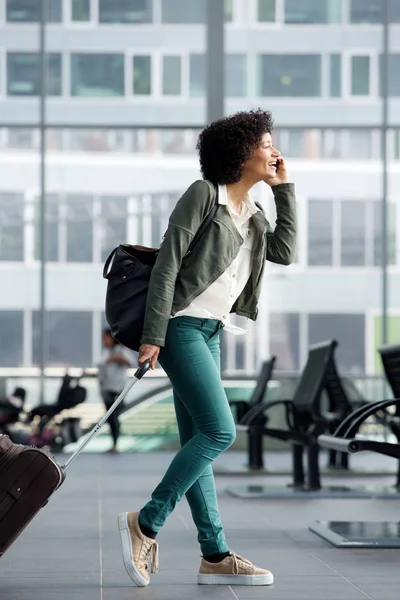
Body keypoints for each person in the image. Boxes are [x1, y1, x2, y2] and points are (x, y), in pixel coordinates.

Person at [117, 109, 297, 587]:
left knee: (202, 443)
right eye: (265, 143)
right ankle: (147, 522)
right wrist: (153, 335)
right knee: (220, 432)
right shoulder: (203, 195)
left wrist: (284, 190)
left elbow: (284, 252)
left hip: (212, 330)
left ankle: (214, 554)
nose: (274, 151)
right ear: (239, 152)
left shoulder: (253, 215)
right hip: (180, 327)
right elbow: (166, 268)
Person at [98, 328, 133, 453]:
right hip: (106, 388)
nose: (103, 341)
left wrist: (115, 358)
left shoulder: (120, 350)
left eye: (105, 338)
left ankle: (116, 443)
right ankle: (114, 442)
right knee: (110, 417)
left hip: (116, 388)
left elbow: (130, 362)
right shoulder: (106, 351)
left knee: (114, 416)